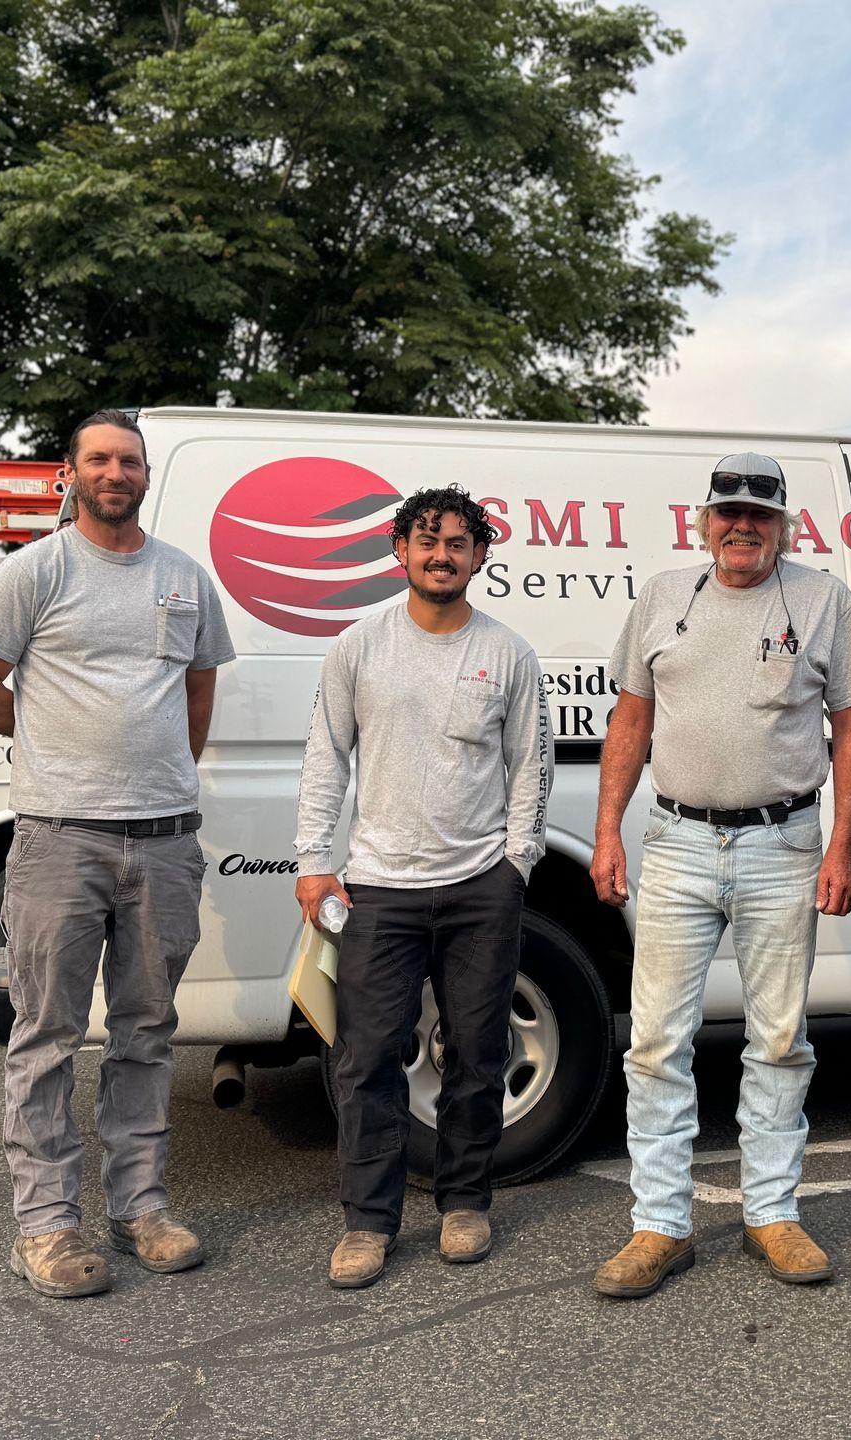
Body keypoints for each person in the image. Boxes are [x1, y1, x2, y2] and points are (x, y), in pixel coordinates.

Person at [0, 408, 234, 1298]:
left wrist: (153, 775)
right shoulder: (34, 572)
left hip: (164, 843)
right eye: (99, 459)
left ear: (146, 476)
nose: (117, 472)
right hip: (57, 840)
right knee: (47, 1037)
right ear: (69, 474)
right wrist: (54, 747)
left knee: (146, 1034)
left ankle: (140, 1209)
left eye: (130, 461)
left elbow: (197, 698)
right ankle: (45, 1228)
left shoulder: (184, 578)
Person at [588, 452, 851, 1299]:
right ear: (702, 520)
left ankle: (773, 1213)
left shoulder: (824, 600)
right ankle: (659, 1226)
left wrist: (841, 846)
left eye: (759, 513)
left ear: (785, 524)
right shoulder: (662, 597)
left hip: (783, 842)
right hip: (677, 841)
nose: (741, 525)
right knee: (654, 1044)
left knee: (780, 1040)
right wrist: (608, 833)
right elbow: (630, 721)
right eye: (728, 511)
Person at [294, 485, 550, 1291]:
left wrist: (516, 866)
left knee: (476, 1051)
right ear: (398, 550)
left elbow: (529, 766)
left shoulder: (508, 652)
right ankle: (368, 1223)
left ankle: (464, 1202)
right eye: (427, 541)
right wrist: (312, 860)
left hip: (481, 887)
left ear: (481, 556)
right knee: (367, 1058)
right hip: (379, 889)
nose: (443, 555)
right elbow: (326, 756)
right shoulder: (359, 647)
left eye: (459, 543)